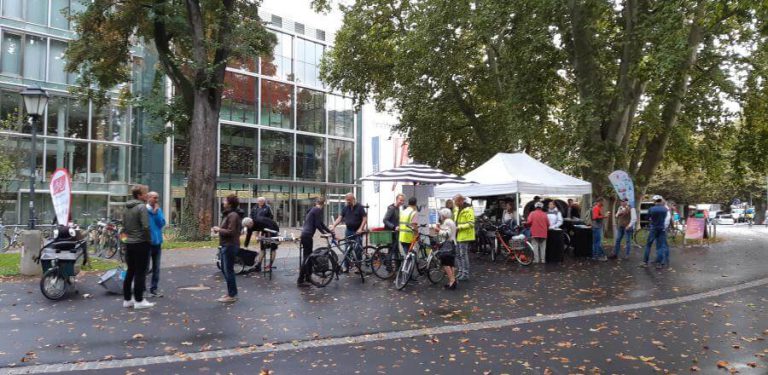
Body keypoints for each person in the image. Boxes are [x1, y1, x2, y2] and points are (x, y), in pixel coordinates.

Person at [122, 185, 154, 309]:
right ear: (139, 195)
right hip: (140, 242)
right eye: (145, 193)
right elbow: (146, 226)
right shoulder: (142, 207)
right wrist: (148, 239)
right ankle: (139, 300)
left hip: (129, 242)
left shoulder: (126, 208)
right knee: (141, 272)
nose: (147, 195)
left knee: (130, 271)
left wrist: (127, 239)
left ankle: (127, 299)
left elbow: (124, 226)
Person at [212, 194, 243, 303]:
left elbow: (231, 232)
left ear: (229, 203)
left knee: (228, 270)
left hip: (230, 245)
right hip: (227, 245)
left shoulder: (233, 215)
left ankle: (232, 295)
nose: (223, 202)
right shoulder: (229, 215)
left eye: (225, 200)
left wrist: (219, 229)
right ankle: (231, 292)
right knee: (226, 270)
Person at [298, 197, 332, 286]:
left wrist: (329, 232)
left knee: (308, 257)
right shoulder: (317, 210)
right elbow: (317, 225)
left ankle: (307, 278)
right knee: (307, 258)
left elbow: (321, 224)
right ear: (323, 204)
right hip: (307, 236)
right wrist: (324, 233)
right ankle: (300, 280)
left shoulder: (312, 210)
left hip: (305, 235)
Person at [330, 193, 368, 272]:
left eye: (349, 200)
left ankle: (358, 267)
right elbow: (340, 218)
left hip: (357, 231)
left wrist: (361, 228)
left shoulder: (360, 207)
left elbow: (364, 218)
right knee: (347, 248)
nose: (348, 202)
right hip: (349, 230)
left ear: (353, 199)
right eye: (347, 201)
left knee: (358, 249)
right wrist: (333, 225)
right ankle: (346, 267)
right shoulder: (345, 208)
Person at [244, 197, 275, 271]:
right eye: (259, 201)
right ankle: (258, 265)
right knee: (263, 247)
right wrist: (246, 245)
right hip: (259, 227)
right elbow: (249, 233)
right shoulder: (255, 208)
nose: (260, 202)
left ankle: (269, 266)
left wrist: (267, 234)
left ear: (264, 201)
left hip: (270, 228)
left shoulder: (267, 208)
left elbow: (271, 217)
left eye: (261, 201)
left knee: (273, 248)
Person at [146, 191, 166, 297]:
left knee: (156, 268)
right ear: (148, 198)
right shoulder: (144, 210)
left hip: (157, 243)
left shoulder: (158, 210)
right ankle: (143, 290)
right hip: (147, 243)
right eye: (154, 198)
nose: (156, 200)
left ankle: (154, 289)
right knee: (145, 268)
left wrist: (156, 213)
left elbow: (162, 223)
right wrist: (152, 213)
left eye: (157, 198)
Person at [641, 195, 669, 269]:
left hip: (653, 228)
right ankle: (659, 264)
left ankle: (645, 262)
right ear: (660, 200)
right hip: (662, 229)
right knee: (660, 247)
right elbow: (665, 218)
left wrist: (650, 219)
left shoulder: (651, 209)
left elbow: (647, 218)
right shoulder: (665, 209)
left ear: (655, 201)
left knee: (648, 245)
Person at [434, 208, 458, 289]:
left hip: (447, 245)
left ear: (443, 215)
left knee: (445, 263)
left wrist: (438, 230)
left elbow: (447, 234)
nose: (440, 216)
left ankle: (452, 281)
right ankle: (452, 281)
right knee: (451, 264)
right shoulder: (451, 221)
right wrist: (440, 228)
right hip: (453, 243)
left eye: (441, 215)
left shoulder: (446, 221)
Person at [453, 194, 475, 281]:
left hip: (465, 235)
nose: (455, 203)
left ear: (460, 201)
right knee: (458, 254)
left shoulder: (469, 210)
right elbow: (455, 221)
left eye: (456, 202)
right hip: (458, 235)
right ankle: (461, 271)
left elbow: (471, 223)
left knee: (463, 254)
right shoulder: (457, 209)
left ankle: (465, 273)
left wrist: (459, 227)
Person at [383, 193, 405, 268]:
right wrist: (394, 227)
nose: (401, 202)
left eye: (403, 201)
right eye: (400, 200)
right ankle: (389, 267)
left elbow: (395, 220)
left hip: (395, 232)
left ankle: (396, 266)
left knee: (395, 249)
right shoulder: (392, 208)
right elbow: (385, 220)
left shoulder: (397, 208)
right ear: (396, 199)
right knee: (391, 250)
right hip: (390, 232)